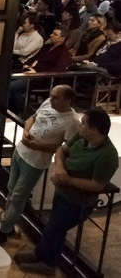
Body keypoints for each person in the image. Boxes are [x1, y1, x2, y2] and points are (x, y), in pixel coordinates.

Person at [15, 108, 118, 276]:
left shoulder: (108, 155)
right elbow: (61, 150)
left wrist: (67, 180)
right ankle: (40, 256)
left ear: (94, 130)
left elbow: (96, 185)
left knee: (54, 229)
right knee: (54, 228)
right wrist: (60, 169)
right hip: (62, 192)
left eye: (83, 123)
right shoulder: (82, 136)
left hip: (77, 201)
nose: (80, 126)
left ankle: (48, 264)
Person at [0, 86, 79, 244]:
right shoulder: (48, 102)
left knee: (18, 197)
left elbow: (65, 149)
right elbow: (32, 118)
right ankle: (8, 222)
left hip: (35, 163)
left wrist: (38, 146)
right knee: (11, 189)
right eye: (51, 95)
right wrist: (26, 132)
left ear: (67, 100)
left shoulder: (72, 122)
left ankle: (4, 229)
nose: (51, 99)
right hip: (21, 151)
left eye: (56, 97)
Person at [8, 28, 73, 114]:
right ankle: (14, 109)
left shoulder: (64, 54)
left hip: (41, 78)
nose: (51, 35)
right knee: (3, 80)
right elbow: (34, 57)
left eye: (55, 34)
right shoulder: (47, 47)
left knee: (10, 87)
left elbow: (58, 70)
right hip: (30, 71)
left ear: (62, 38)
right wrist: (26, 64)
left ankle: (26, 111)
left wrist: (37, 73)